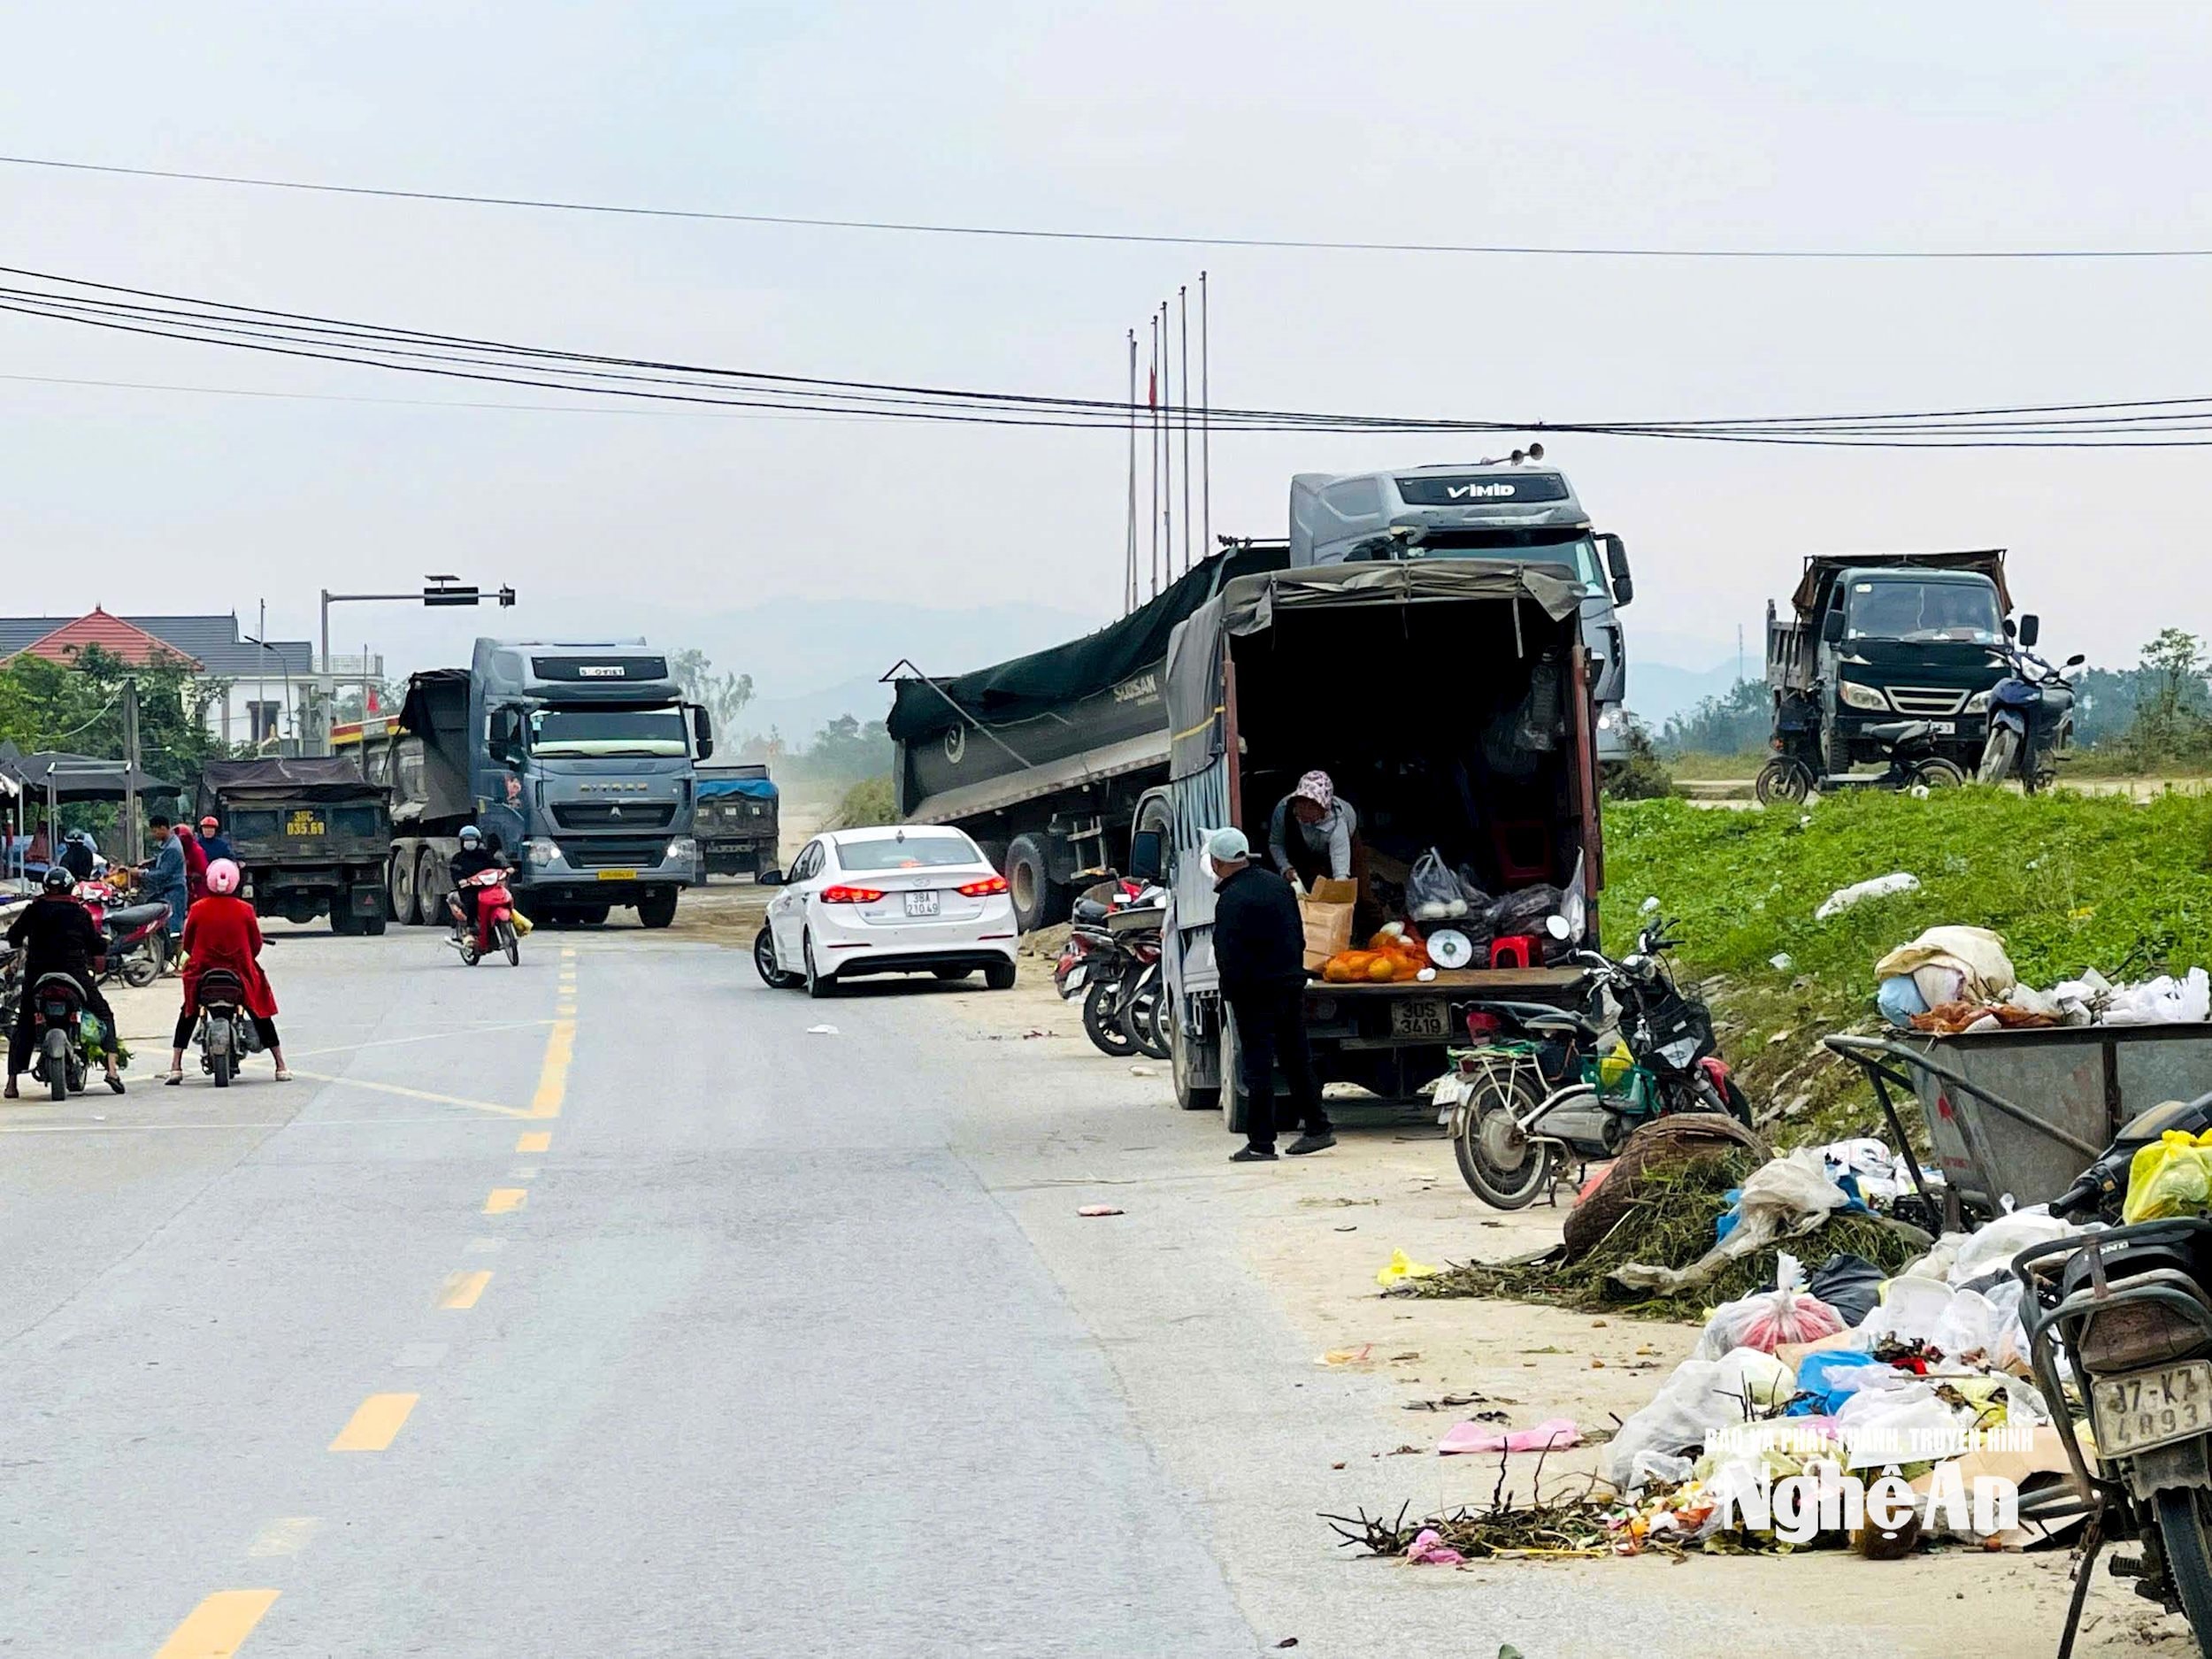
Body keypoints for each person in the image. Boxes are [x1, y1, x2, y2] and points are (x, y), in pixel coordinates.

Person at [1207, 826, 1333, 1163]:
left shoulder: (1230, 898)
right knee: (1296, 1058)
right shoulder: (1278, 886)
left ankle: (1261, 1143)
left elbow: (1227, 953)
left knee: (1258, 1067)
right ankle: (1318, 1128)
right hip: (1289, 985)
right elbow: (1298, 935)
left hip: (1253, 993)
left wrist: (1231, 990)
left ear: (1217, 863)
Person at [5, 865, 126, 1097]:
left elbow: (13, 938)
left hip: (38, 977)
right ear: (70, 887)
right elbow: (95, 945)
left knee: (24, 1025)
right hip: (75, 975)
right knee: (104, 1014)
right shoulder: (80, 913)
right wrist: (105, 944)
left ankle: (12, 1083)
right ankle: (112, 1070)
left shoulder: (34, 909)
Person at [167, 858, 288, 1084]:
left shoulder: (197, 909)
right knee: (260, 1011)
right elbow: (256, 945)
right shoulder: (245, 910)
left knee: (188, 1012)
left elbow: (188, 944)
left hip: (202, 975)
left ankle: (176, 1066)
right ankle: (280, 1065)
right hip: (239, 973)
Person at [1267, 770, 1363, 889]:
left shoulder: (1338, 825)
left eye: (1312, 805)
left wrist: (1338, 893)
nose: (1305, 809)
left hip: (1344, 842)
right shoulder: (1283, 810)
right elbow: (1276, 843)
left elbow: (1341, 873)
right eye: (1301, 802)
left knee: (1358, 888)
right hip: (1302, 850)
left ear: (1324, 808)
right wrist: (1285, 868)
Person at [447, 825, 503, 940]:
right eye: (467, 840)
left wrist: (506, 869)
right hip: (468, 889)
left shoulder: (484, 855)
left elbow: (496, 864)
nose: (470, 842)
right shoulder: (458, 858)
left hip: (485, 887)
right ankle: (471, 926)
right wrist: (461, 881)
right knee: (472, 901)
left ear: (478, 841)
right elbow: (455, 873)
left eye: (472, 839)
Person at [139, 815, 189, 944]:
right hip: (167, 890)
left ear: (163, 828)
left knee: (174, 928)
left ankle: (177, 953)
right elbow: (161, 860)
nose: (153, 834)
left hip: (174, 891)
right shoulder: (168, 844)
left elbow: (163, 873)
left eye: (155, 831)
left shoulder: (173, 848)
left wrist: (141, 874)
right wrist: (148, 863)